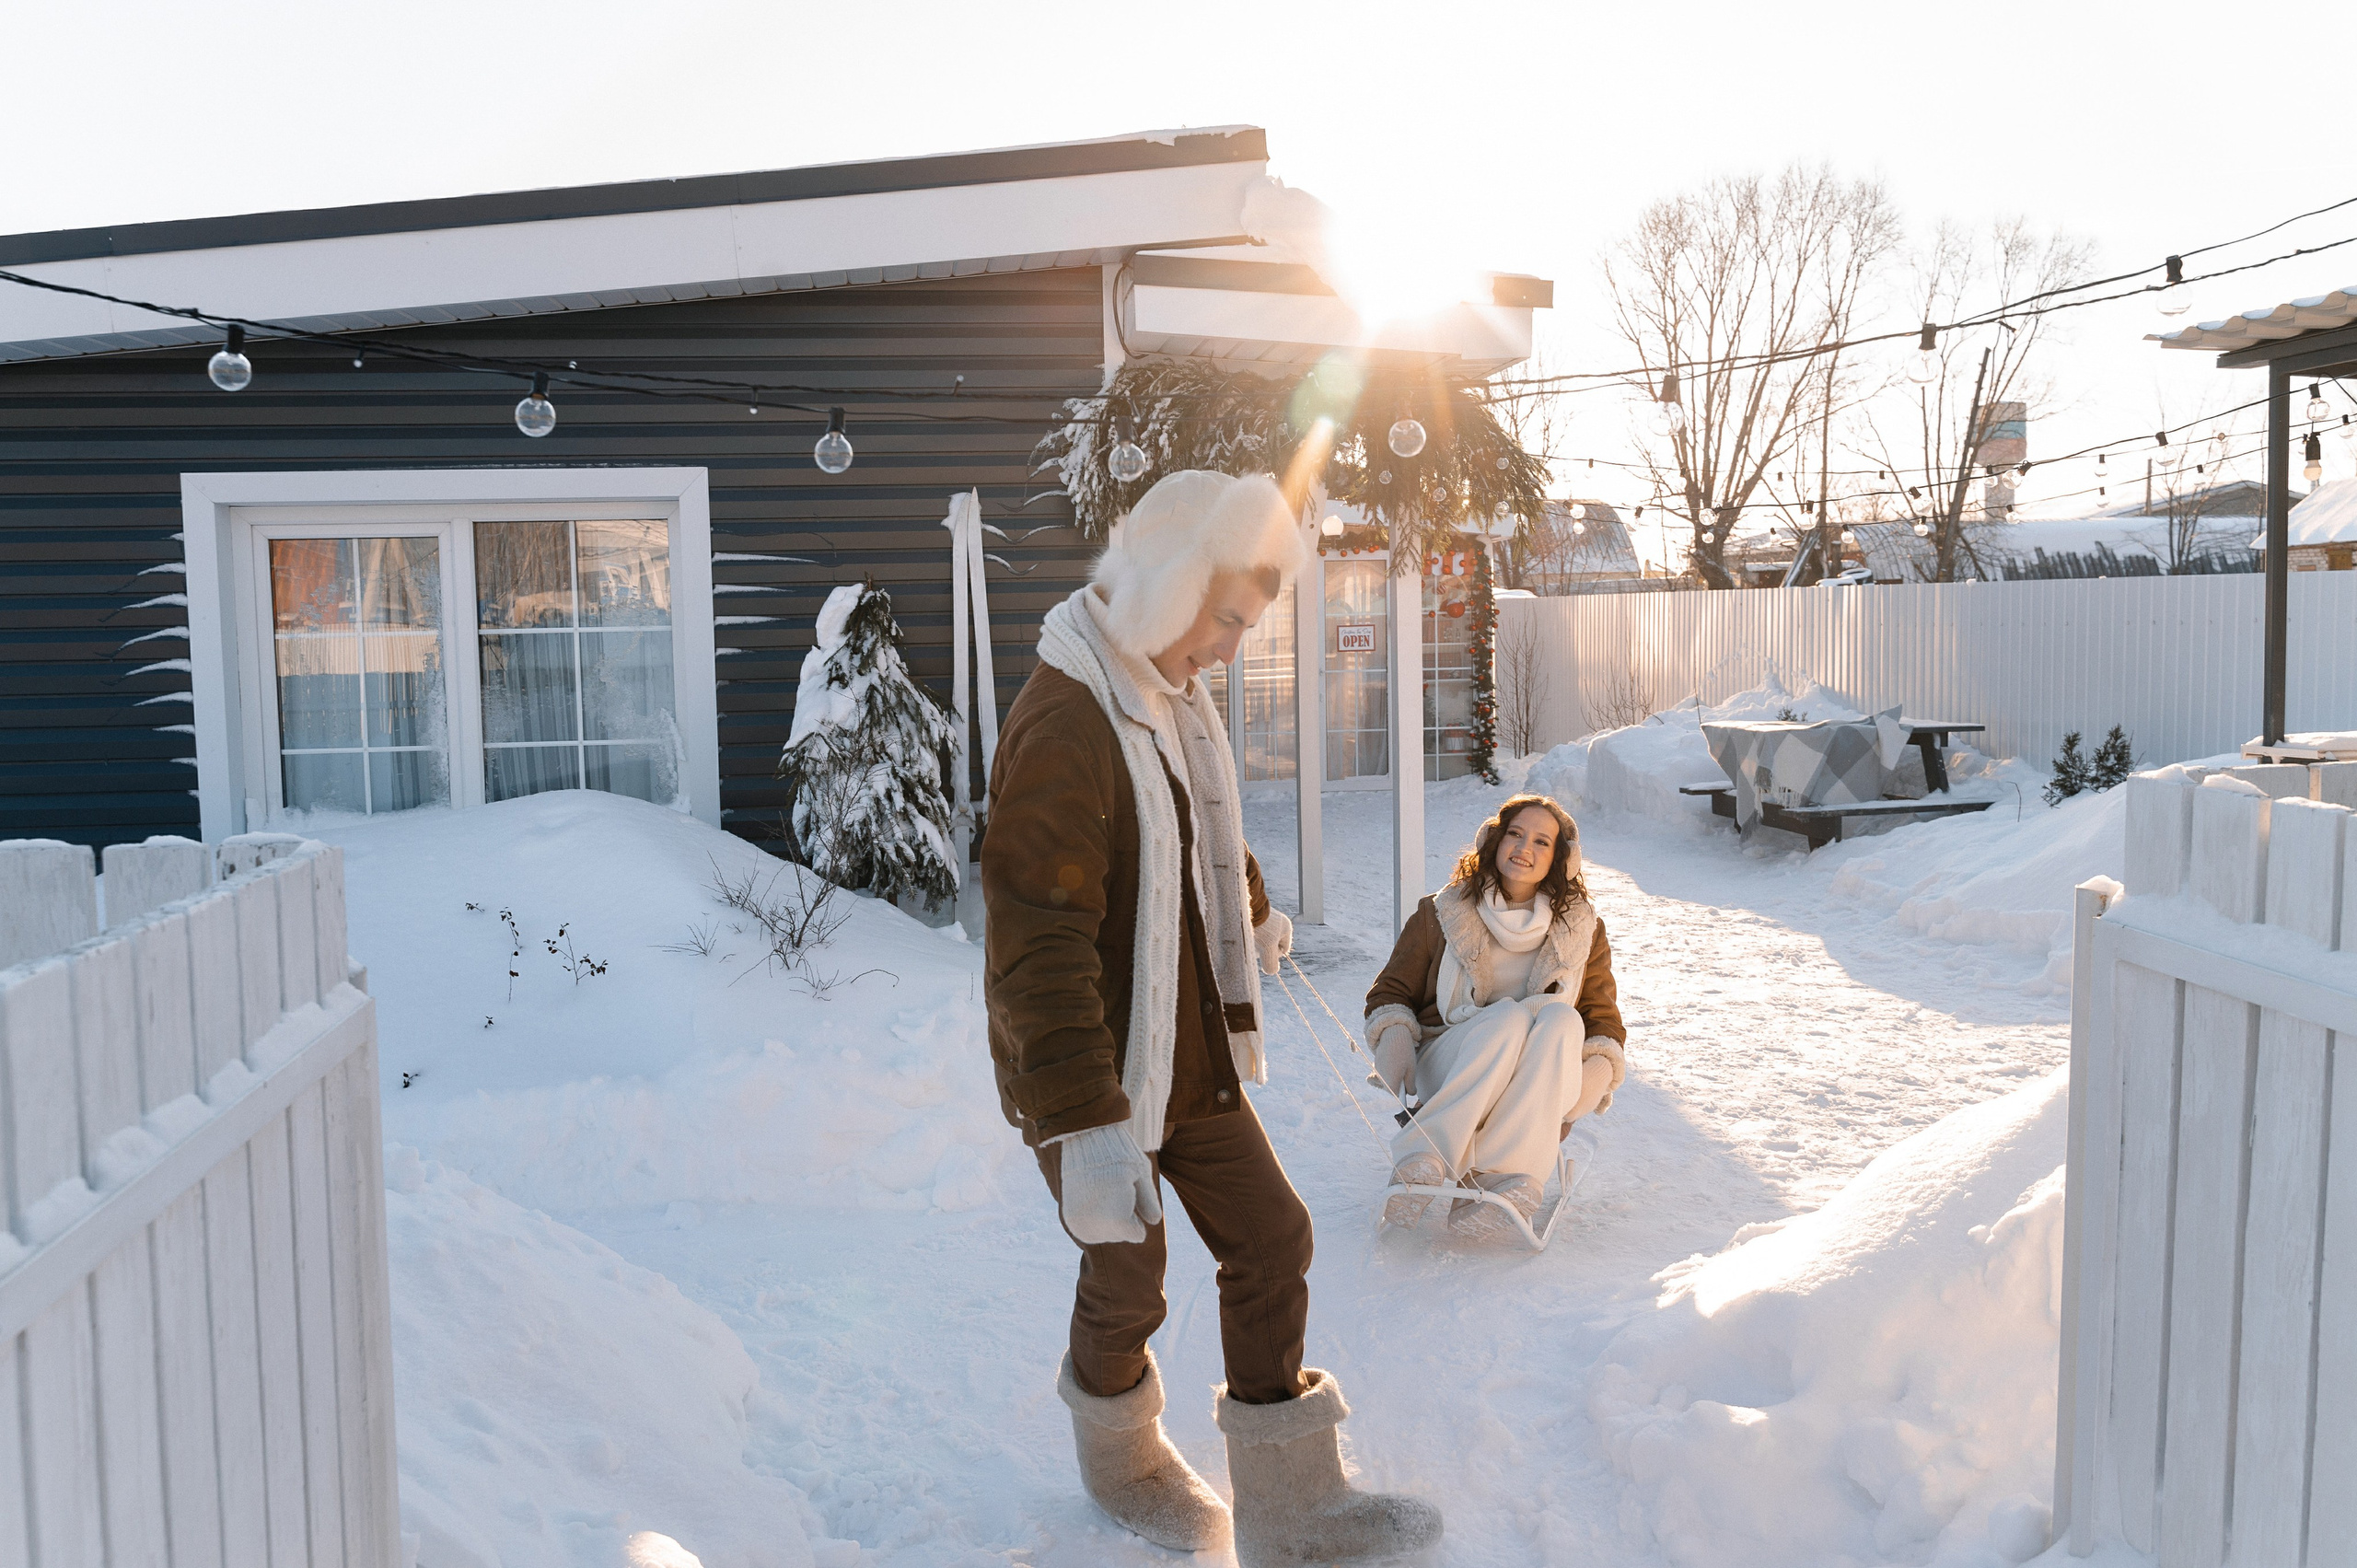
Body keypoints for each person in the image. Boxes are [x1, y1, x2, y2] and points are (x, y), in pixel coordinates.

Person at [982, 470, 1443, 1566]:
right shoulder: (1067, 718)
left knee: (1272, 1236)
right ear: (1167, 585)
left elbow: (1190, 829)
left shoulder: (1158, 692)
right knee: (1127, 1274)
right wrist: (1085, 1123)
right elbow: (1036, 940)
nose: (1232, 650)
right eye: (1226, 618)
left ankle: (1290, 1504)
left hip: (1180, 1044)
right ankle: (1122, 1461)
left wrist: (1249, 909)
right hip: (1092, 1068)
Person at [1363, 793, 1627, 1241]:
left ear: (1560, 858)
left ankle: (1503, 1176)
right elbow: (1391, 990)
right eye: (1515, 834)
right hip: (1456, 1057)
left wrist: (1600, 1069)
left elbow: (1601, 1016)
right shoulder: (1442, 912)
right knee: (1507, 1019)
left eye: (1541, 842)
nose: (1524, 848)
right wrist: (1394, 1035)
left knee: (1562, 1020)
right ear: (1495, 840)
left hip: (1541, 1069)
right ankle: (1423, 1157)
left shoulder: (1583, 929)